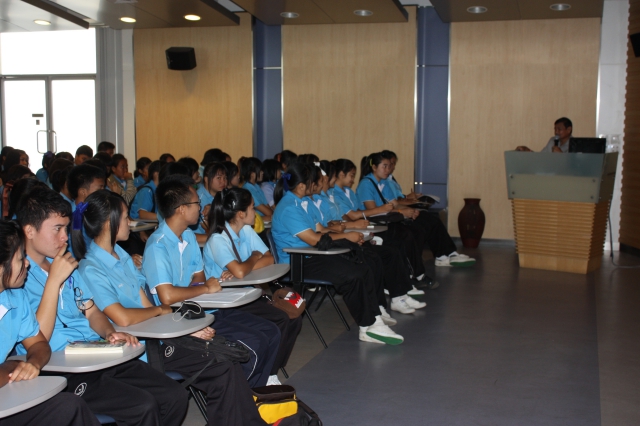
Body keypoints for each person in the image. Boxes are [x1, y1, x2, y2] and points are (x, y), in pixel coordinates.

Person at [74, 190, 269, 426]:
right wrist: (162, 313)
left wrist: (183, 330)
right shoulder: (91, 268)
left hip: (157, 337)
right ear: (109, 223)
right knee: (219, 369)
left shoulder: (122, 256)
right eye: (125, 217)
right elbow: (123, 318)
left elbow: (146, 305)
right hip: (140, 348)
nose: (130, 222)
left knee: (227, 363)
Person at [15, 186, 189, 426]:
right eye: (57, 229)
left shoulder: (65, 265)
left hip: (96, 353)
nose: (65, 237)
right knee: (143, 406)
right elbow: (39, 339)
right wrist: (54, 281)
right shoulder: (18, 277)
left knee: (174, 395)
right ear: (29, 231)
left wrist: (109, 333)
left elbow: (91, 311)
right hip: (60, 367)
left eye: (66, 229)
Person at [142, 175, 280, 387]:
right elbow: (168, 296)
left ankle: (259, 390)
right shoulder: (157, 246)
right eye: (196, 203)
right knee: (256, 342)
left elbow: (198, 277)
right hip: (176, 319)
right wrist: (204, 288)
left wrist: (196, 289)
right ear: (182, 209)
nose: (200, 207)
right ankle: (247, 394)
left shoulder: (188, 236)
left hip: (199, 309)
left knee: (271, 331)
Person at [271, 162, 404, 345]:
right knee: (352, 275)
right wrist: (346, 236)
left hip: (312, 254)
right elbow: (313, 239)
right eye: (312, 182)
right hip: (298, 261)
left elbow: (320, 229)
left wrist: (347, 233)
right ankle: (368, 326)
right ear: (302, 186)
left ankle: (375, 317)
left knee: (363, 266)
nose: (316, 185)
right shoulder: (288, 207)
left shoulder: (303, 203)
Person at [0, 220, 100, 426]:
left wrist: (33, 364)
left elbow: (39, 343)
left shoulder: (15, 297)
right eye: (20, 259)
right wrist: (13, 365)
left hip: (7, 395)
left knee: (70, 406)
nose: (27, 264)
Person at [205, 188, 302, 383]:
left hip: (245, 294)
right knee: (280, 319)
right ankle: (269, 375)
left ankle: (272, 369)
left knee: (294, 318)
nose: (255, 212)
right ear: (241, 214)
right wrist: (253, 257)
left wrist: (245, 265)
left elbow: (269, 259)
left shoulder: (246, 230)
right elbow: (242, 270)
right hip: (226, 302)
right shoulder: (218, 239)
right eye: (252, 208)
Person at [358, 153, 475, 268]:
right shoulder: (366, 184)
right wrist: (401, 212)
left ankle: (447, 253)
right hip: (378, 221)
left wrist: (410, 210)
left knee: (431, 219)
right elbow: (373, 211)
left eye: (389, 166)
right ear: (374, 167)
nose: (388, 169)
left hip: (389, 216)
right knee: (417, 229)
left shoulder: (383, 183)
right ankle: (415, 266)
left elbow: (395, 204)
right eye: (384, 166)